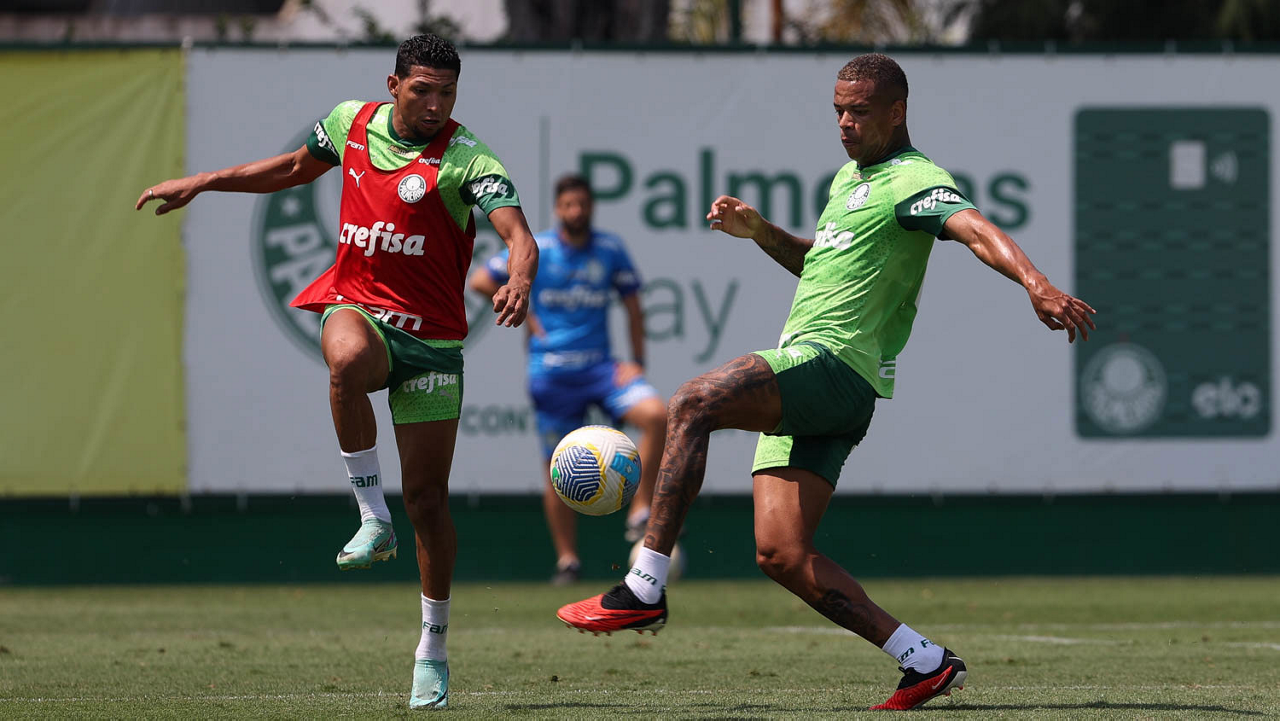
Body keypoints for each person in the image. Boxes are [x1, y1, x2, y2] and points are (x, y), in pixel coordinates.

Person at [556, 53, 1096, 711]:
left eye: (859, 111)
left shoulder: (915, 178)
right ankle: (924, 660)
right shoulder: (848, 179)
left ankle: (644, 583)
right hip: (822, 389)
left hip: (836, 366)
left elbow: (976, 231)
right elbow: (819, 264)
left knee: (694, 400)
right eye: (838, 110)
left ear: (897, 111)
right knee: (781, 554)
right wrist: (760, 232)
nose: (844, 122)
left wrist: (1036, 283)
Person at [136, 34, 538, 711]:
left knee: (429, 503)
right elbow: (294, 167)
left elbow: (519, 235)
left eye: (447, 93)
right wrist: (203, 181)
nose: (435, 105)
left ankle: (433, 647)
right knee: (346, 359)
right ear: (393, 84)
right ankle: (371, 514)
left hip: (433, 344)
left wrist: (520, 277)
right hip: (359, 309)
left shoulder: (468, 158)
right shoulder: (351, 122)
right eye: (422, 91)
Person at [469, 174, 667, 585]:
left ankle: (639, 509)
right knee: (558, 469)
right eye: (568, 205)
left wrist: (637, 362)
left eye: (583, 205)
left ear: (592, 207)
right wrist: (528, 313)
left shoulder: (610, 249)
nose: (576, 212)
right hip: (552, 373)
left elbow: (633, 306)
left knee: (656, 415)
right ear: (558, 209)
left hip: (601, 368)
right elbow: (481, 279)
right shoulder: (538, 249)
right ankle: (568, 560)